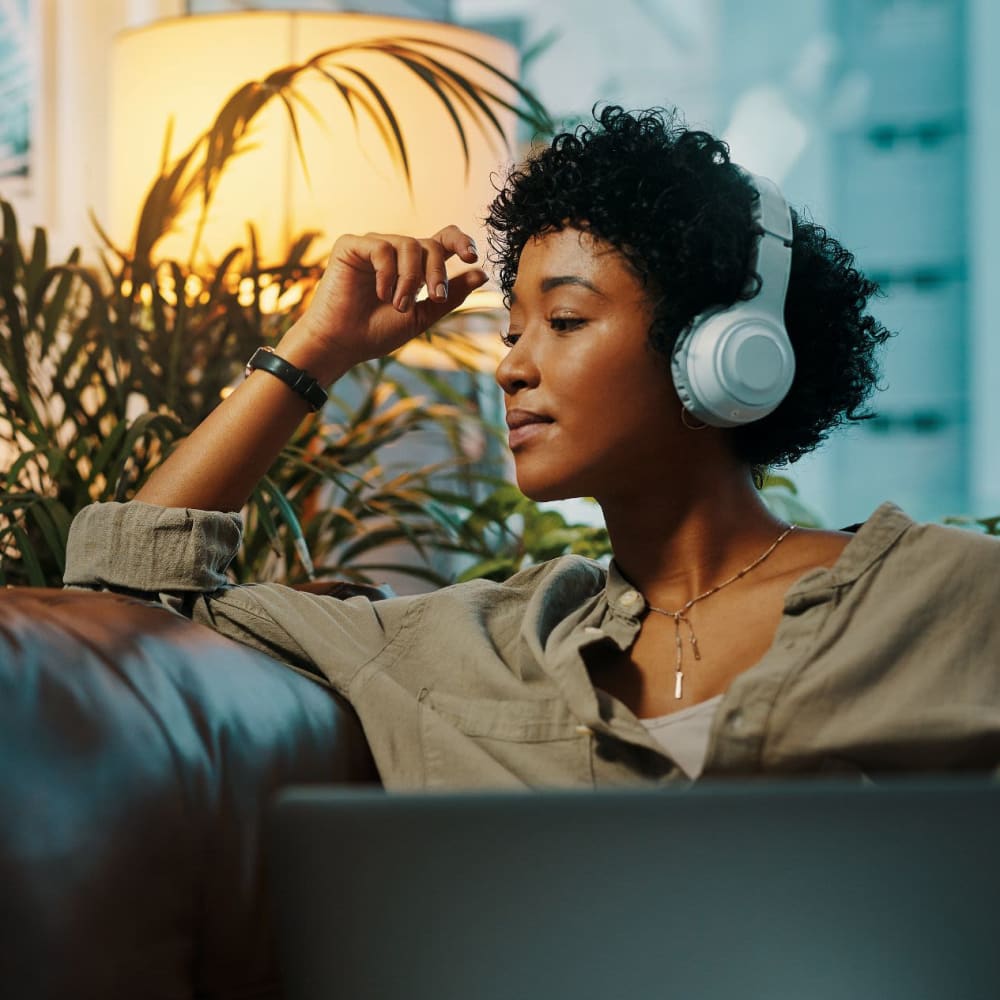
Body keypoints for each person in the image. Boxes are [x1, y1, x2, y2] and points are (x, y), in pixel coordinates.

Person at [65, 106, 1000, 787]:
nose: (511, 369)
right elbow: (116, 611)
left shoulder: (951, 598)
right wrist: (315, 351)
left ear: (726, 352)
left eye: (562, 319)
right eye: (512, 332)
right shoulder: (464, 644)